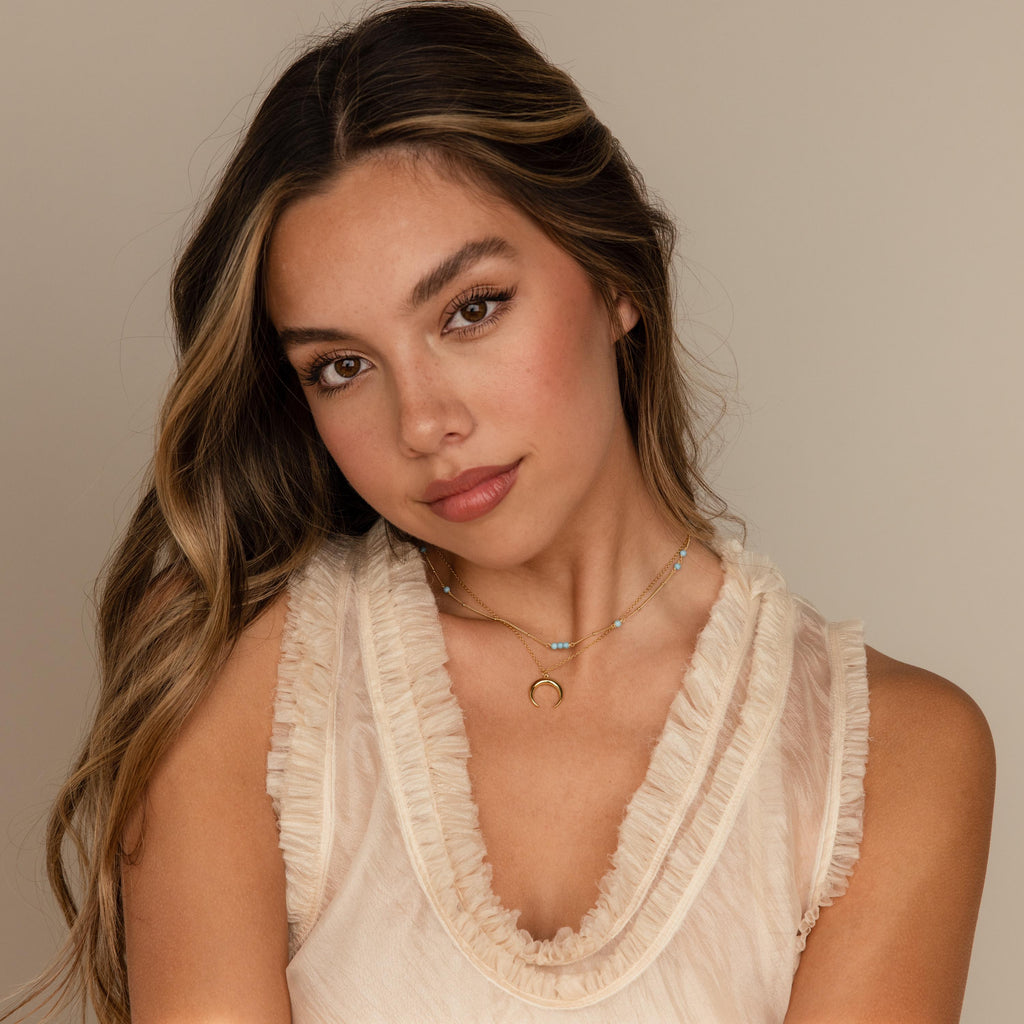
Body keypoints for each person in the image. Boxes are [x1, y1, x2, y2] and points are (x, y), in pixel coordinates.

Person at [6, 3, 994, 1022]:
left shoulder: (893, 758)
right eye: (343, 366)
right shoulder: (235, 665)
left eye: (469, 309)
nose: (425, 421)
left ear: (612, 276)